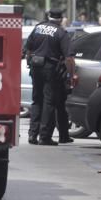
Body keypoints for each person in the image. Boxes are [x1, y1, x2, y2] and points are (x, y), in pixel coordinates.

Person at [23, 9, 75, 146]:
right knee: (48, 102)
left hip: (35, 66)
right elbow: (69, 58)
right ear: (60, 19)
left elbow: (28, 49)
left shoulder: (38, 27)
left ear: (49, 17)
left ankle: (32, 135)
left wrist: (30, 63)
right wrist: (70, 75)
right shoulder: (61, 32)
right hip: (50, 69)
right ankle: (44, 137)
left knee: (36, 100)